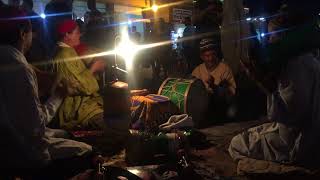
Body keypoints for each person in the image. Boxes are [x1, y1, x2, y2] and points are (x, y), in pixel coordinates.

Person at [0, 6, 93, 176]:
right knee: (88, 151)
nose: (33, 37)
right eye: (31, 32)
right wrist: (58, 96)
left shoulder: (15, 61)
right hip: (27, 157)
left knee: (66, 134)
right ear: (22, 33)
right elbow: (36, 128)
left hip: (8, 150)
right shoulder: (20, 67)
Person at [228, 2, 320, 167]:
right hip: (303, 132)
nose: (269, 41)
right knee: (254, 132)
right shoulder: (307, 56)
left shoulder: (296, 64)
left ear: (283, 35)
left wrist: (261, 83)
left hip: (298, 142)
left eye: (272, 36)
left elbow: (290, 115)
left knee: (236, 143)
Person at [52, 19, 106, 130]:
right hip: (76, 110)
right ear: (67, 34)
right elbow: (79, 86)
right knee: (112, 127)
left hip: (83, 105)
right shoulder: (64, 55)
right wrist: (93, 68)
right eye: (77, 33)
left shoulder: (67, 51)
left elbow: (78, 75)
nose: (80, 36)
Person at [192, 38, 236, 124]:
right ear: (202, 57)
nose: (210, 58)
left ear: (216, 54)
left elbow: (231, 95)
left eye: (213, 55)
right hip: (203, 111)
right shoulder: (197, 71)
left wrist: (214, 87)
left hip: (222, 108)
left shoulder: (224, 69)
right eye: (207, 56)